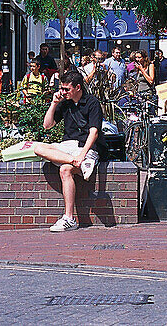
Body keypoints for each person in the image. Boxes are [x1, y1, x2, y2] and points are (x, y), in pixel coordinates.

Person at [30, 69, 104, 232]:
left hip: (86, 147)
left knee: (65, 170)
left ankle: (69, 218)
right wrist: (54, 103)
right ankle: (78, 163)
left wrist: (82, 154)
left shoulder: (92, 103)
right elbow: (47, 125)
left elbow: (94, 132)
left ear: (78, 87)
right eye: (61, 88)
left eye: (66, 89)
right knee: (38, 148)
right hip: (68, 149)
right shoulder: (64, 102)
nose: (62, 92)